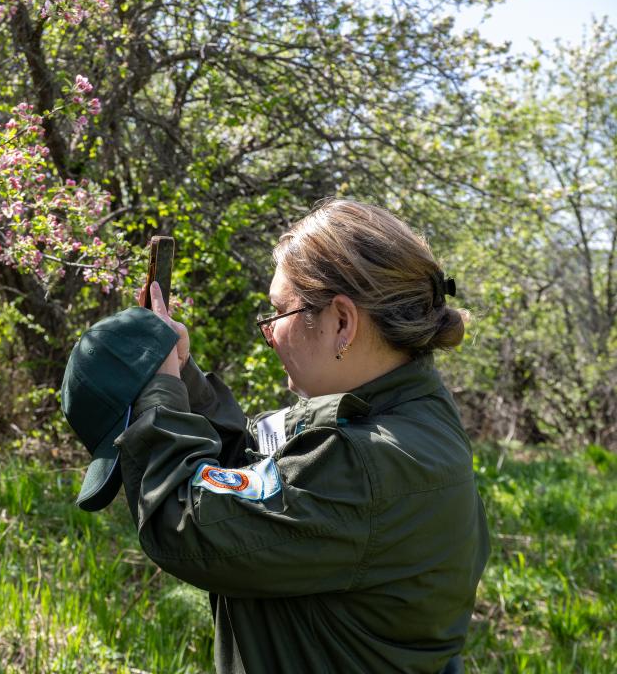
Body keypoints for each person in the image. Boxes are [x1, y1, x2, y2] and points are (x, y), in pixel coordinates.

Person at [111, 199, 489, 673]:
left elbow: (183, 524)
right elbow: (253, 471)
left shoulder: (366, 464)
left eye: (278, 313)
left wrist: (159, 395)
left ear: (342, 322)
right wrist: (185, 377)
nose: (268, 335)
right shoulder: (408, 409)